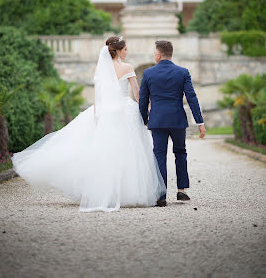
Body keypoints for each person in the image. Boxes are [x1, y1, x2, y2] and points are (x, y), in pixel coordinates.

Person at [11, 37, 166, 212]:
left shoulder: (102, 68)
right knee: (127, 150)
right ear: (119, 50)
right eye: (125, 49)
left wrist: (96, 114)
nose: (127, 51)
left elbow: (98, 96)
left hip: (104, 111)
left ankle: (103, 191)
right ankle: (126, 192)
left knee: (102, 152)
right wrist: (145, 111)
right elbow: (138, 94)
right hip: (124, 110)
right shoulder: (128, 67)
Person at [139, 40, 206, 207]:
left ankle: (161, 195)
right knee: (180, 153)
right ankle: (181, 191)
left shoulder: (148, 74)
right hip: (177, 120)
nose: (154, 55)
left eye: (154, 53)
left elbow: (143, 100)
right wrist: (200, 121)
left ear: (159, 55)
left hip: (158, 120)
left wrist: (144, 120)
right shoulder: (183, 72)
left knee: (159, 155)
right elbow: (192, 97)